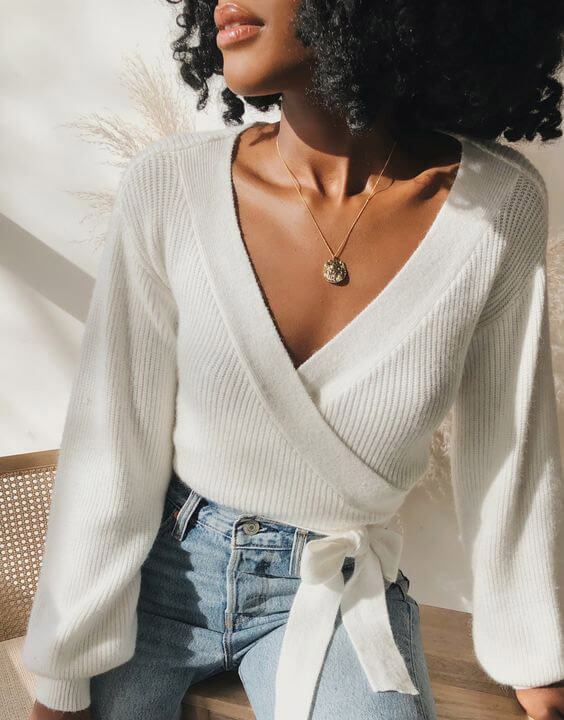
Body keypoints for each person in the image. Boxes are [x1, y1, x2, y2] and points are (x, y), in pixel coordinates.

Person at [24, 1, 564, 719]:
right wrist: (62, 672)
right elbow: (113, 443)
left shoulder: (498, 210)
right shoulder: (170, 188)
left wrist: (538, 660)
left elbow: (513, 455)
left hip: (333, 586)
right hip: (157, 577)